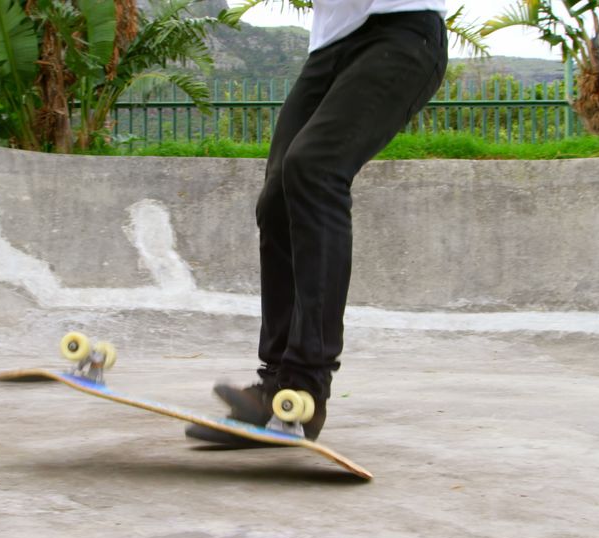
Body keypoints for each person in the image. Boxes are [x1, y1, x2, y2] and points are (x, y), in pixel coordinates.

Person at [187, 0, 449, 444]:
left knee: (315, 168)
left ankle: (305, 386)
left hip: (404, 29)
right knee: (277, 201)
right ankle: (275, 383)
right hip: (330, 45)